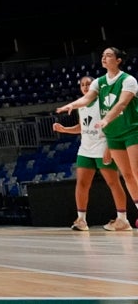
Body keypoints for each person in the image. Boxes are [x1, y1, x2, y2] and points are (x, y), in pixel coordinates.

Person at [57, 45, 138, 231]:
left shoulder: (129, 80)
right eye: (102, 55)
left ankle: (122, 217)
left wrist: (107, 119)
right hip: (112, 135)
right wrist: (71, 105)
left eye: (108, 55)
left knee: (134, 173)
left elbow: (122, 103)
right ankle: (90, 219)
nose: (104, 58)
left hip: (131, 130)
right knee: (126, 175)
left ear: (118, 60)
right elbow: (86, 100)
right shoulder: (99, 82)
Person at [52, 75, 128, 231]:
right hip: (85, 149)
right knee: (82, 184)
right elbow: (82, 127)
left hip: (103, 145)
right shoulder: (81, 105)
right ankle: (81, 220)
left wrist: (109, 148)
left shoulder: (104, 103)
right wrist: (65, 129)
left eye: (89, 84)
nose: (86, 87)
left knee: (113, 183)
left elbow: (113, 125)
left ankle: (122, 219)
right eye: (82, 84)